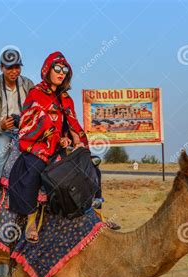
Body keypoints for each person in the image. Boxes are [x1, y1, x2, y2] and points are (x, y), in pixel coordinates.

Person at [9, 51, 114, 242]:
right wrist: (54, 137)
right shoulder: (36, 94)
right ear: (47, 70)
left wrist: (76, 143)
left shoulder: (66, 98)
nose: (61, 73)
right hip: (38, 144)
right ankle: (31, 221)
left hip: (60, 146)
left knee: (91, 168)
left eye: (64, 70)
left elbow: (72, 125)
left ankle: (98, 216)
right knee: (33, 170)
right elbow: (28, 123)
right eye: (57, 68)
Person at [0, 47, 34, 221]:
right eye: (9, 67)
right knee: (2, 154)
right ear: (1, 67)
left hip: (25, 131)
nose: (13, 71)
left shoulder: (28, 85)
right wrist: (0, 125)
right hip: (1, 132)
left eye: (17, 67)